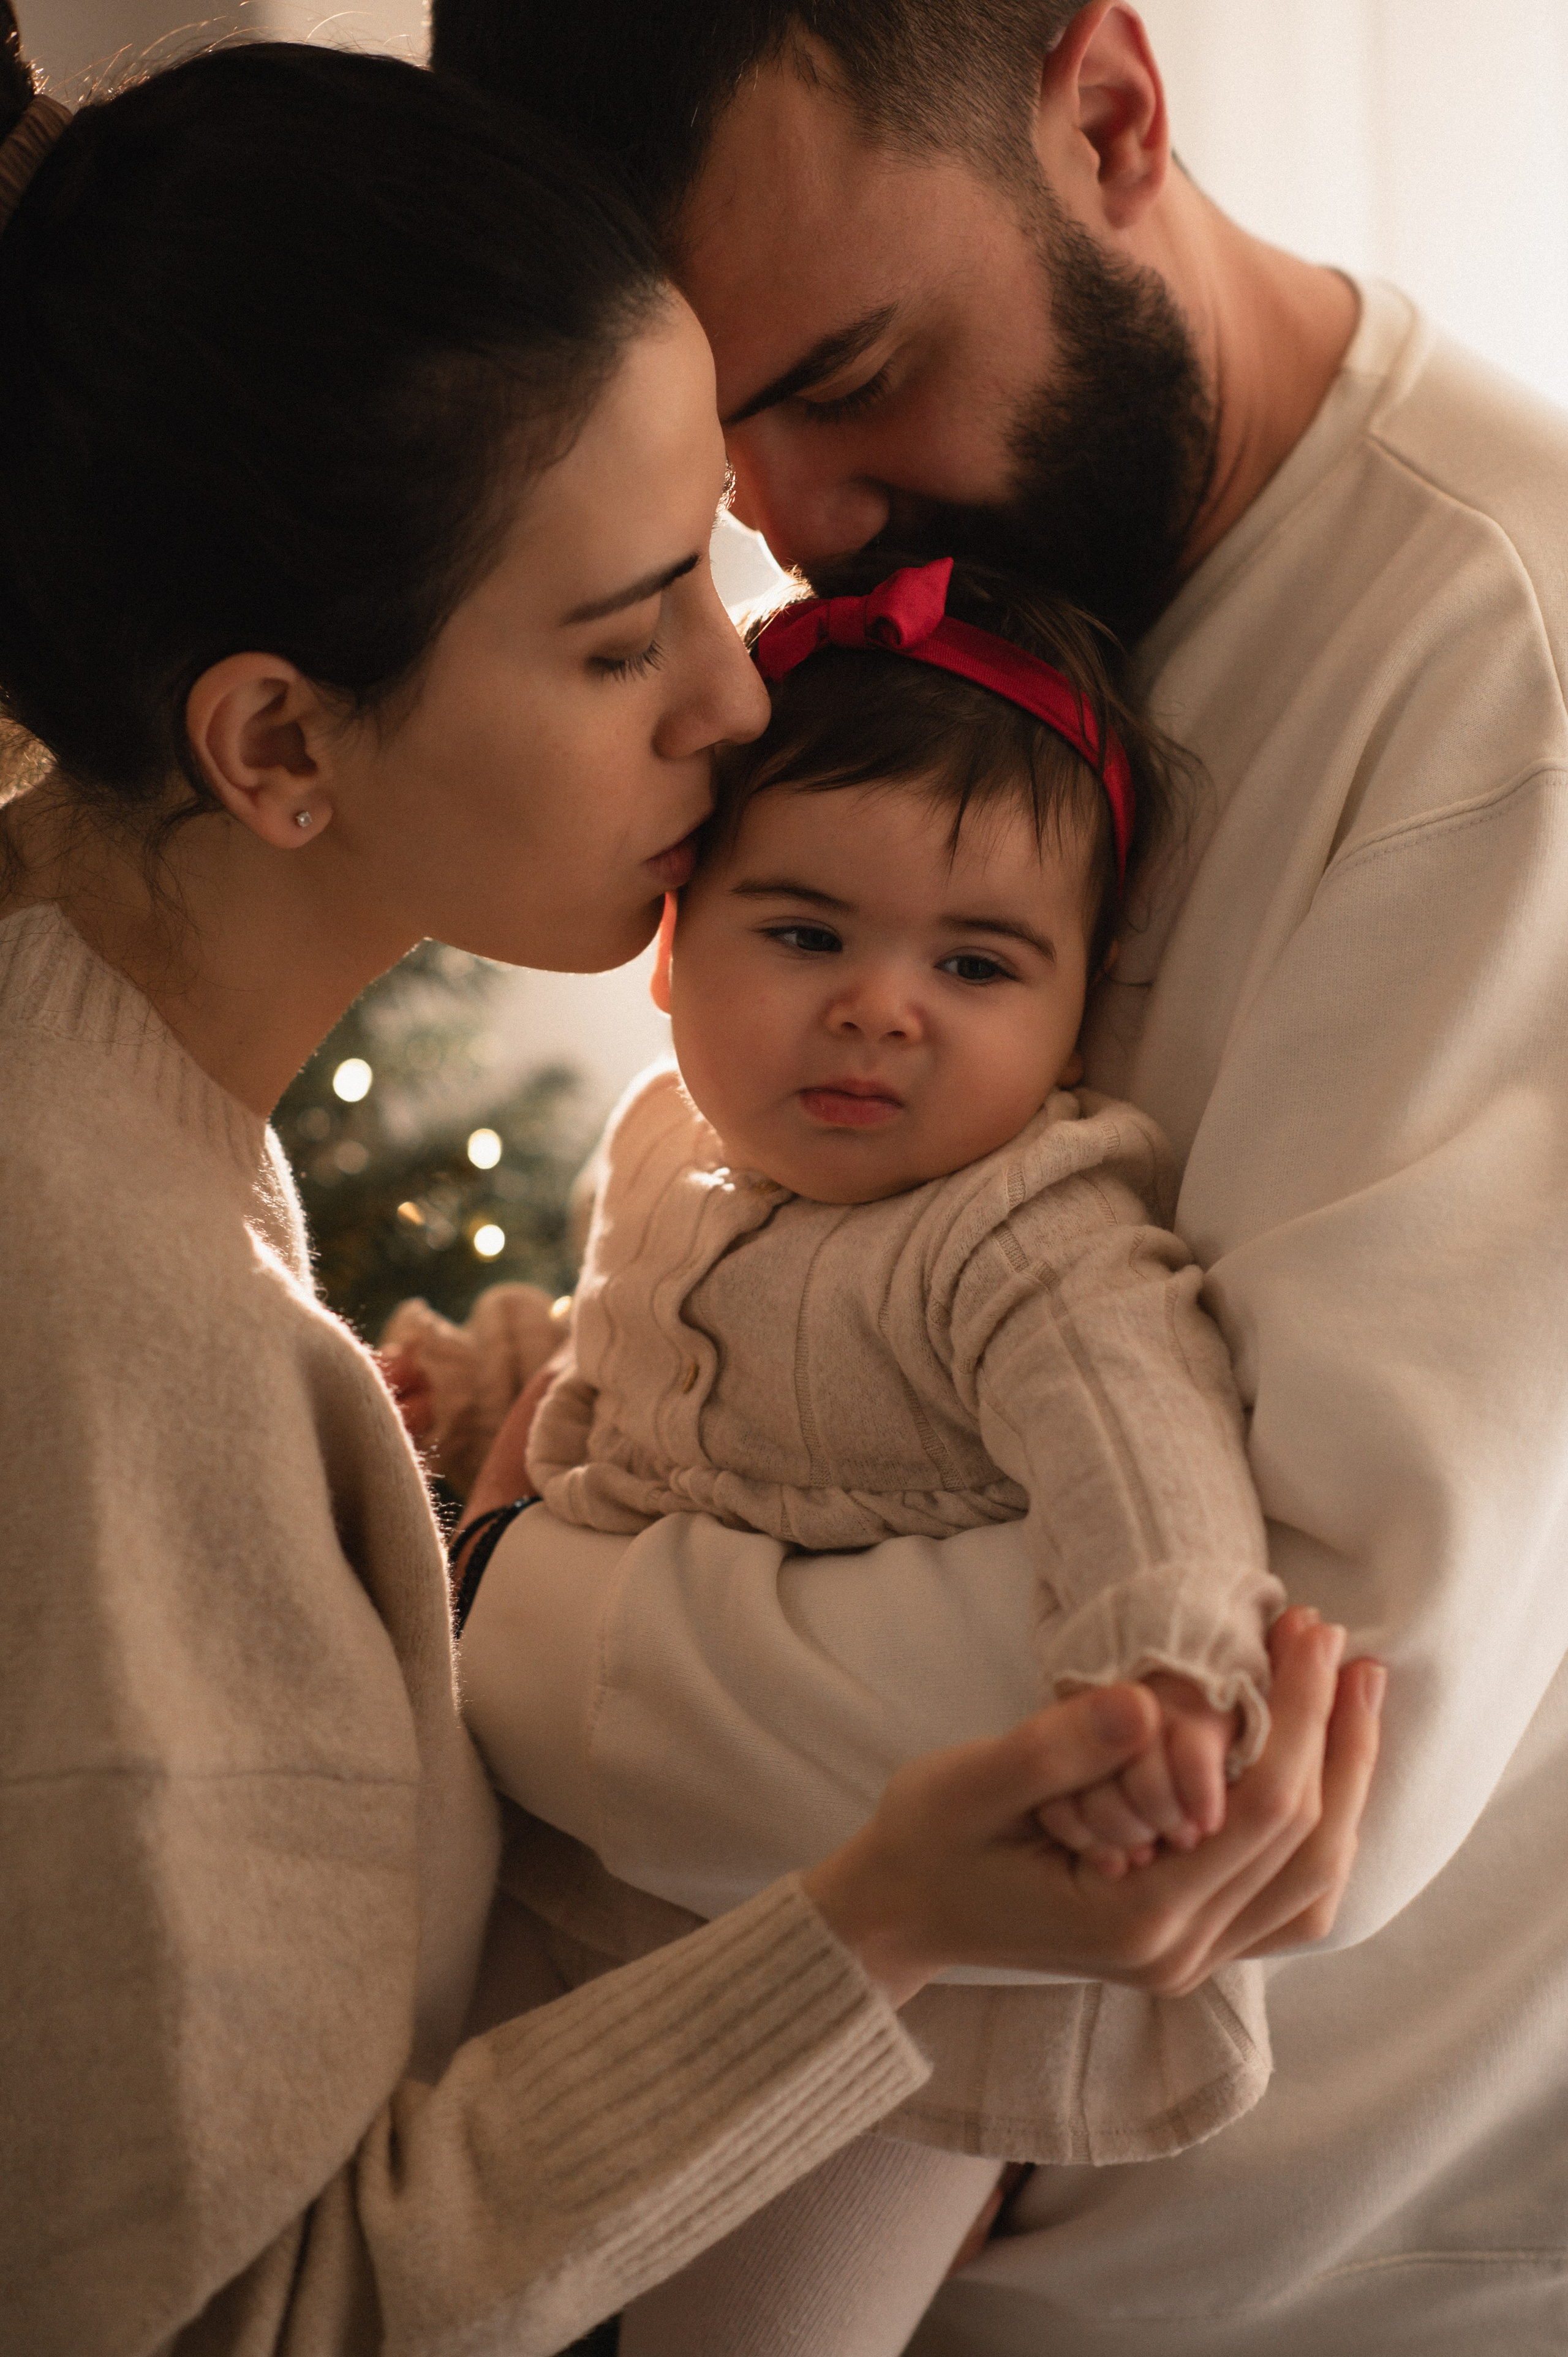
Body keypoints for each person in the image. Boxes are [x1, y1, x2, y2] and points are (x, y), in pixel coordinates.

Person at [0, 24, 1381, 2357]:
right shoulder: (106, 1311)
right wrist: (880, 1924)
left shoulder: (115, 1111)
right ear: (276, 746)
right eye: (625, 630)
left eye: (710, 584)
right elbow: (233, 2316)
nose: (742, 706)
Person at [431, 1, 1568, 2350]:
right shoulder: (985, 610)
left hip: (1298, 2290)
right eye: (715, 438)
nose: (796, 528)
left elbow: (1273, 1734)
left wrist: (502, 1607)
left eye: (848, 374)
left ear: (1115, 113)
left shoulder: (1503, 669)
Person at [458, 549, 1292, 2355]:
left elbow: (1144, 1463)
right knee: (464, 2255)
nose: (879, 1006)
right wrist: (523, 1478)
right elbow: (604, 1392)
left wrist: (1167, 1680)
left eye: (976, 962)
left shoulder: (1026, 1231)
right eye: (806, 932)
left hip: (905, 2030)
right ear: (677, 946)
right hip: (592, 1875)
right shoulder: (665, 1146)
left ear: (1085, 1002)